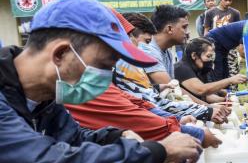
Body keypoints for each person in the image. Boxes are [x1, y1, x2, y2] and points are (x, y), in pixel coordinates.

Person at [0, 0, 201, 163]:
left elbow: (73, 139)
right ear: (61, 53)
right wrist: (158, 150)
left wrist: (116, 138)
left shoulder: (43, 100)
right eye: (103, 66)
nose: (105, 80)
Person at [66, 10, 221, 148]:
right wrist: (182, 130)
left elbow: (135, 102)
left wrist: (175, 120)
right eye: (111, 55)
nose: (117, 63)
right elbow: (128, 114)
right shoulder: (80, 83)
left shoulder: (88, 78)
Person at [114, 9, 231, 121]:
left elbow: (144, 95)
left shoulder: (167, 53)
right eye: (184, 27)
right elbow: (150, 101)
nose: (187, 32)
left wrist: (158, 88)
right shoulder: (134, 57)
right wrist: (205, 110)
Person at [175, 37, 247, 103]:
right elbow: (201, 90)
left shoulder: (199, 69)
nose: (210, 60)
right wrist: (230, 80)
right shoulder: (181, 68)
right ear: (194, 55)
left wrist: (225, 99)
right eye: (208, 56)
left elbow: (206, 96)